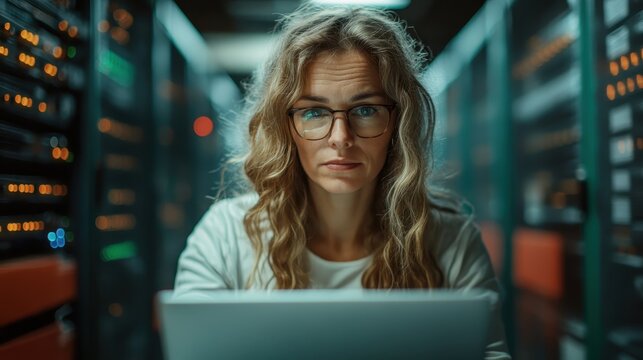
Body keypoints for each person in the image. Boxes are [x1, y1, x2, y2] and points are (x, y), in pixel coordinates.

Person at [174, 4, 510, 359]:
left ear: (398, 123)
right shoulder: (224, 238)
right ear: (285, 126)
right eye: (314, 112)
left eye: (365, 110)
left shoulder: (450, 242)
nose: (340, 137)